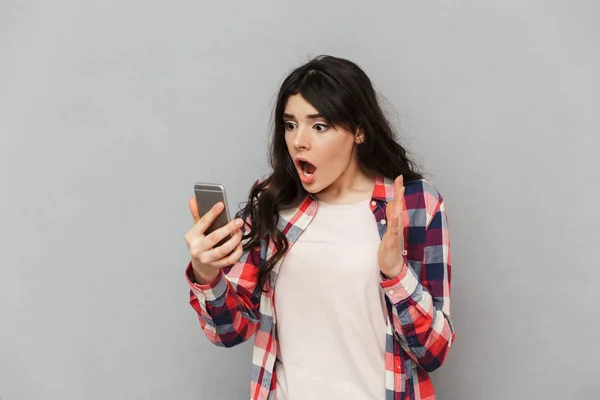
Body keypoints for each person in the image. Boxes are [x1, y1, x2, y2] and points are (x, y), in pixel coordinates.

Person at [184, 55, 455, 400]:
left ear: (359, 130)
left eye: (319, 126)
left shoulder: (415, 205)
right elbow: (230, 331)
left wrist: (396, 272)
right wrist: (207, 274)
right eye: (290, 124)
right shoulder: (273, 201)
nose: (299, 141)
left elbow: (434, 351)